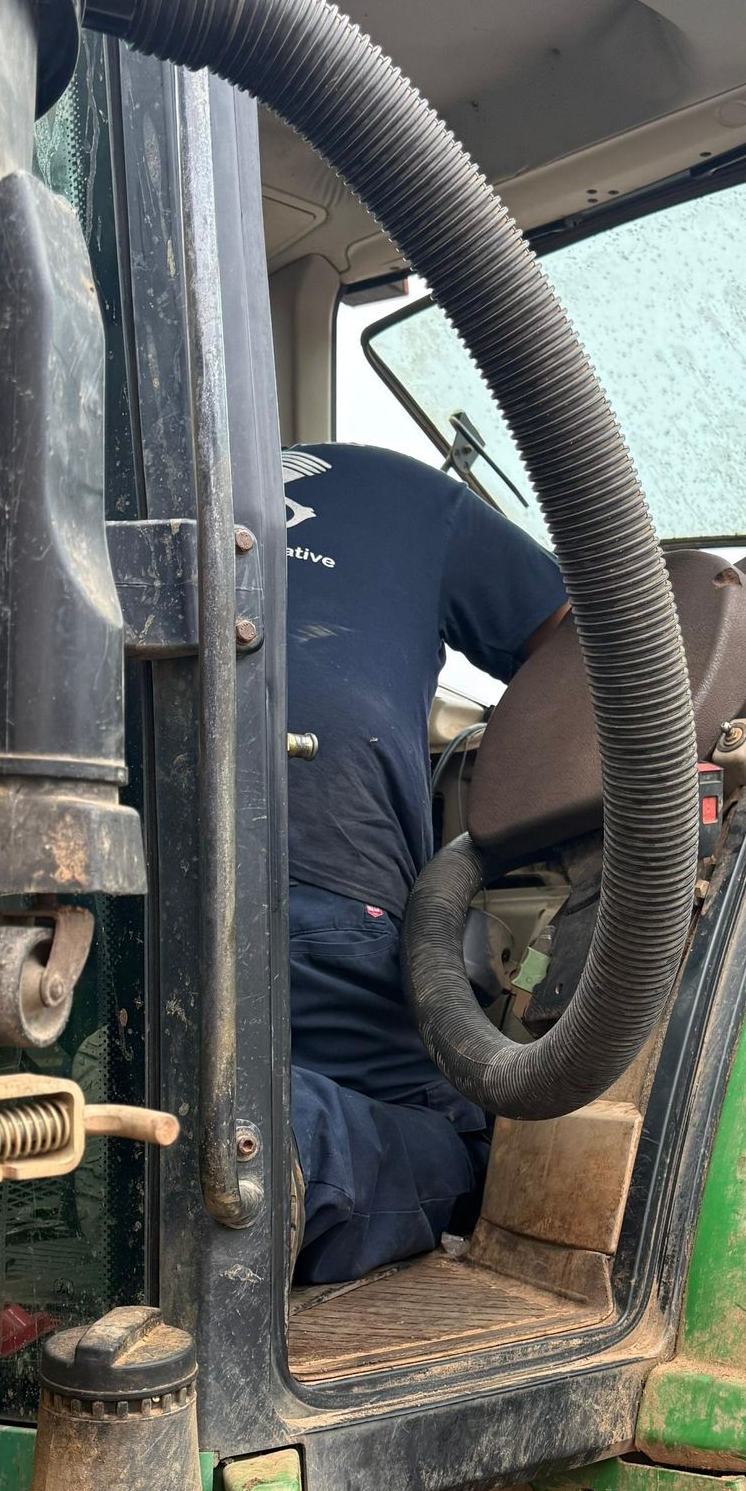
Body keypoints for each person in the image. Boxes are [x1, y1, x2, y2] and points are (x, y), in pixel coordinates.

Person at [280, 442, 566, 1283]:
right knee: (444, 1143)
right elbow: (590, 645)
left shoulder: (144, 474)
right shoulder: (404, 489)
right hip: (325, 869)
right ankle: (248, 1146)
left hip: (101, 887)